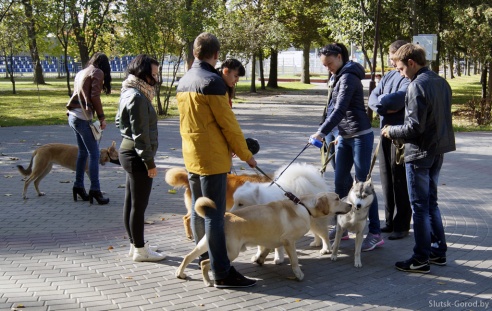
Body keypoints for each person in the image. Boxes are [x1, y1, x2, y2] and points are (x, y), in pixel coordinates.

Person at [177, 32, 257, 288]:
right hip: (211, 160)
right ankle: (221, 271)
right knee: (214, 215)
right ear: (216, 55)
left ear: (195, 52)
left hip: (192, 155)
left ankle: (206, 256)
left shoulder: (185, 80)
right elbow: (229, 125)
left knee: (199, 212)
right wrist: (246, 155)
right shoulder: (213, 82)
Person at [382, 43, 455, 273]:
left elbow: (414, 128)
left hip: (420, 152)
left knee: (421, 207)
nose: (401, 73)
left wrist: (390, 131)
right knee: (431, 203)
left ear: (412, 63)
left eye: (402, 68)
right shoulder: (441, 82)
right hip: (437, 150)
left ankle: (421, 259)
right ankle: (438, 251)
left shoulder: (416, 86)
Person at [310, 43, 384, 251]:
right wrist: (324, 131)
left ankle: (375, 232)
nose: (328, 68)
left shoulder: (349, 77)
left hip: (360, 135)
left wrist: (322, 131)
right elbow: (330, 108)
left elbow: (341, 109)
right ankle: (342, 227)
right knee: (340, 182)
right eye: (325, 66)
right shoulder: (336, 76)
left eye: (330, 64)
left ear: (340, 57)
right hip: (342, 136)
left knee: (363, 186)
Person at [115, 54, 165, 262]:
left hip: (129, 152)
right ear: (142, 73)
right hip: (137, 155)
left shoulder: (129, 91)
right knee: (139, 205)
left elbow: (119, 122)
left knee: (131, 202)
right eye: (153, 74)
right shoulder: (136, 96)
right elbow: (140, 134)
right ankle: (140, 249)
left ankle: (134, 245)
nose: (156, 78)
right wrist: (149, 163)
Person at [368, 40, 412, 240]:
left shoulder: (407, 77)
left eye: (393, 57)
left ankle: (402, 225)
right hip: (384, 133)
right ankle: (389, 221)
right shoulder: (389, 75)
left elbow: (398, 99)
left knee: (399, 179)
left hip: (400, 135)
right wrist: (383, 104)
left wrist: (383, 102)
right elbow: (373, 98)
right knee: (386, 179)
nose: (392, 61)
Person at [66, 52, 111, 205]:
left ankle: (78, 186)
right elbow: (94, 96)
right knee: (94, 153)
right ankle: (95, 190)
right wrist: (102, 118)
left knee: (83, 152)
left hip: (73, 116)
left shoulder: (81, 72)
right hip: (82, 117)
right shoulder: (97, 72)